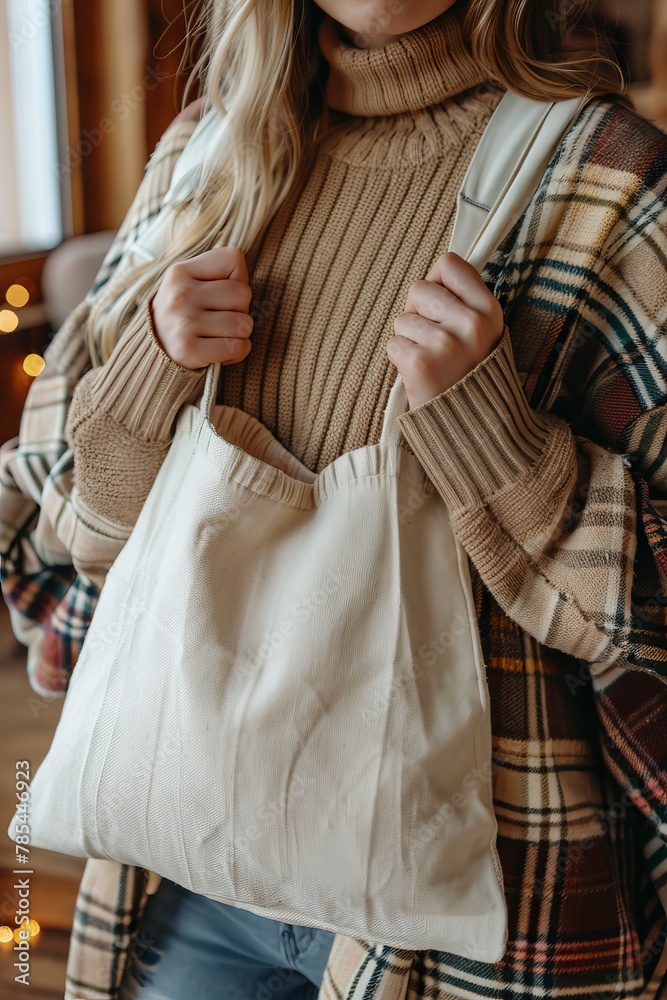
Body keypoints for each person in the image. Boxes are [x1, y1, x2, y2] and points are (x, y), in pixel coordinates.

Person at [2, 0, 667, 998]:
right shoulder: (204, 151)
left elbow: (648, 616)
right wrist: (146, 376)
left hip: (474, 929)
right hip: (183, 866)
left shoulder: (617, 181)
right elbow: (62, 538)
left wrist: (504, 446)